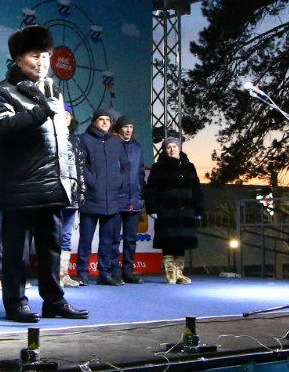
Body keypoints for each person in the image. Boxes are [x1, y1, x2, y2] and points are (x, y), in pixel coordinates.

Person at [0, 26, 88, 323]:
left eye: (46, 55)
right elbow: (3, 127)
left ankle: (54, 301)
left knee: (51, 249)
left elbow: (58, 142)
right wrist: (41, 111)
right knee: (16, 252)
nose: (42, 62)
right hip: (20, 185)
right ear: (18, 59)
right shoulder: (1, 91)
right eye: (34, 55)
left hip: (52, 185)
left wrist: (68, 180)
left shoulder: (53, 89)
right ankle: (15, 303)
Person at [73, 108, 130, 285]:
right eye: (101, 119)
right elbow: (80, 164)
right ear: (95, 121)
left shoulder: (116, 141)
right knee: (86, 239)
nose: (105, 122)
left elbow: (126, 166)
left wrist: (119, 181)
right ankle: (82, 273)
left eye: (107, 119)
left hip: (111, 199)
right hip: (91, 197)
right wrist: (92, 181)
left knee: (107, 240)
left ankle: (104, 273)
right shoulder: (84, 139)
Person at [145, 136, 201, 283]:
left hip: (185, 211)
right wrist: (152, 208)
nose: (172, 149)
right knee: (168, 241)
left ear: (179, 149)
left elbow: (196, 190)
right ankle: (170, 274)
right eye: (169, 147)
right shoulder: (158, 167)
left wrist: (198, 209)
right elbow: (151, 190)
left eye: (174, 147)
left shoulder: (189, 167)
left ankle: (179, 273)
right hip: (166, 211)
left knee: (181, 242)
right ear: (165, 150)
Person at [115, 117, 145, 283]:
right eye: (125, 126)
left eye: (131, 127)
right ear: (119, 128)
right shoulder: (112, 145)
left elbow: (140, 173)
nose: (128, 130)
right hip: (116, 199)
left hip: (133, 199)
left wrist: (141, 194)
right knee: (113, 239)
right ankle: (113, 271)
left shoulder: (137, 147)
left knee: (130, 239)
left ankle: (128, 271)